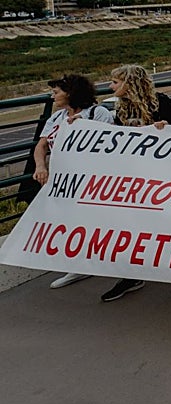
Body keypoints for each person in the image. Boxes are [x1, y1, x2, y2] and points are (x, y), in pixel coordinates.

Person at [100, 65, 171, 302]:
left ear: (129, 83)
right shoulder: (121, 109)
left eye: (115, 82)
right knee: (131, 223)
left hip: (165, 176)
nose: (111, 87)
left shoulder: (161, 102)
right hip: (135, 177)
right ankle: (131, 274)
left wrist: (167, 128)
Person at [33, 75, 115, 290]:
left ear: (70, 93)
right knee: (68, 219)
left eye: (56, 92)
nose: (53, 96)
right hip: (64, 179)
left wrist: (82, 128)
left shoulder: (98, 113)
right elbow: (42, 145)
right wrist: (41, 166)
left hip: (92, 178)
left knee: (95, 219)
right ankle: (80, 264)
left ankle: (106, 260)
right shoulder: (57, 117)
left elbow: (107, 143)